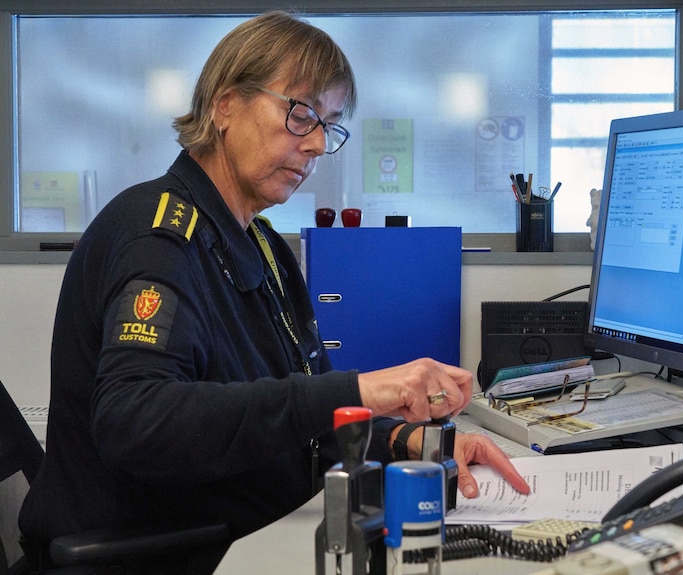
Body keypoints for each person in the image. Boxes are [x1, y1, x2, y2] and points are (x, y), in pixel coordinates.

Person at [18, 10, 530, 572]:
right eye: (301, 114)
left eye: (329, 126)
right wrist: (357, 389)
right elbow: (136, 420)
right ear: (225, 104)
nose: (315, 145)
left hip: (261, 533)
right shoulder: (158, 238)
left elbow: (295, 415)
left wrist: (412, 440)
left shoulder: (261, 243)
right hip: (171, 552)